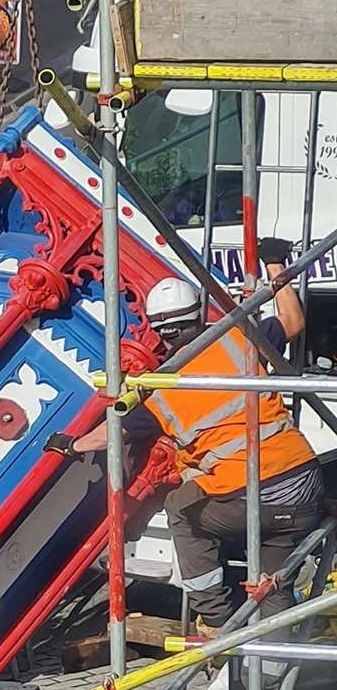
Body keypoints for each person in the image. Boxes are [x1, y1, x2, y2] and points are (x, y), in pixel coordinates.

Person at [46, 239, 323, 653]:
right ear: (197, 314)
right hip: (304, 486)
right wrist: (274, 264)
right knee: (273, 589)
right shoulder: (241, 340)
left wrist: (69, 444)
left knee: (180, 509)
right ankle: (272, 682)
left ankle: (216, 617)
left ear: (158, 330)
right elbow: (293, 320)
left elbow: (110, 435)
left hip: (251, 497)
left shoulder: (162, 387)